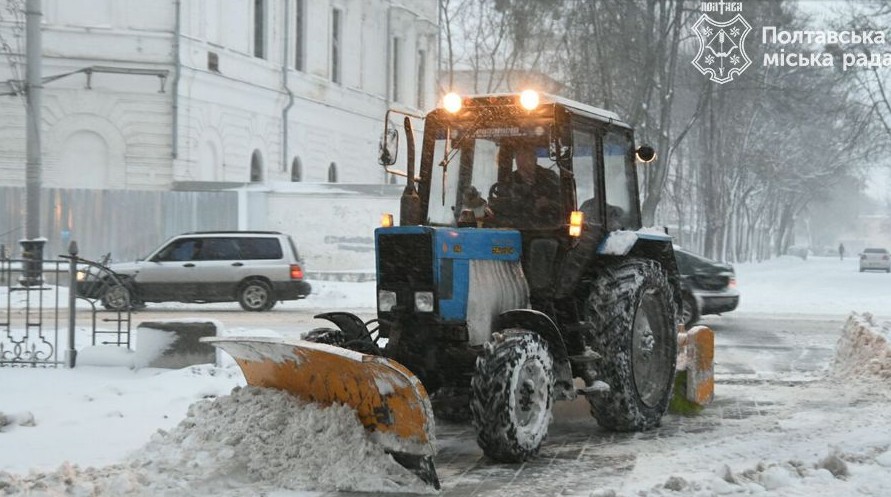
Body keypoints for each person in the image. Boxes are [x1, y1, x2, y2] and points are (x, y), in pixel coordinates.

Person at [508, 143, 561, 226]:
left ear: (534, 158)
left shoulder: (549, 177)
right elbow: (502, 204)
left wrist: (548, 203)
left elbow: (564, 203)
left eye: (526, 155)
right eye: (518, 155)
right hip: (514, 226)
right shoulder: (509, 179)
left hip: (547, 228)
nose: (521, 160)